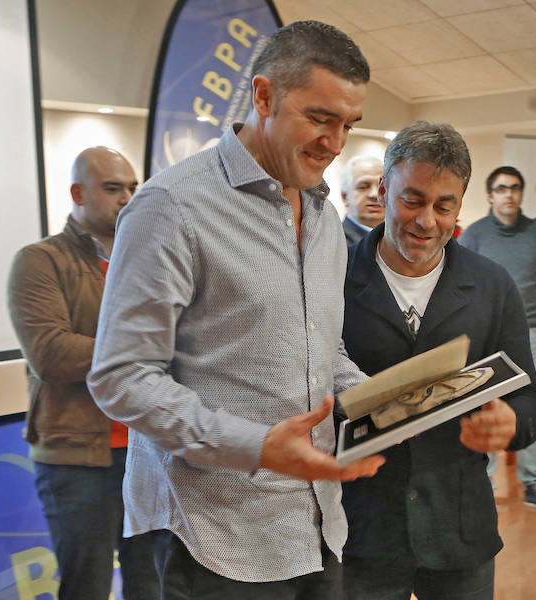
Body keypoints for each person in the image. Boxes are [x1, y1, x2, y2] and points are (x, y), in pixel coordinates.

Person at [87, 21, 384, 599]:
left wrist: (386, 405)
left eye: (348, 125)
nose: (335, 143)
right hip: (215, 539)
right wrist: (256, 446)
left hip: (319, 525)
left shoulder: (324, 216)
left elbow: (321, 348)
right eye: (320, 118)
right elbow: (120, 377)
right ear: (264, 95)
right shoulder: (170, 207)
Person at [340, 120, 536, 599]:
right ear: (384, 189)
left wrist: (510, 423)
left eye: (444, 205)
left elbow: (531, 402)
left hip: (459, 528)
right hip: (361, 530)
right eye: (411, 200)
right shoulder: (334, 277)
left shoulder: (492, 286)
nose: (427, 221)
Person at [7, 147, 159, 600]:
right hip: (78, 460)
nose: (127, 198)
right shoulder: (39, 261)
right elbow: (52, 354)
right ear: (78, 193)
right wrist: (151, 348)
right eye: (113, 188)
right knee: (86, 588)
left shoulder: (147, 260)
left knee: (151, 586)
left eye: (133, 187)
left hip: (149, 452)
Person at [459, 165, 536, 514]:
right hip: (484, 333)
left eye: (515, 188)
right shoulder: (473, 235)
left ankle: (534, 482)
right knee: (483, 406)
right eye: (502, 188)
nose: (509, 194)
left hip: (530, 330)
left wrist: (524, 317)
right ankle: (484, 484)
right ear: (490, 195)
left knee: (532, 403)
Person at [340, 154, 384, 246]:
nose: (375, 194)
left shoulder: (401, 241)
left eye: (382, 187)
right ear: (345, 197)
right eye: (363, 187)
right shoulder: (335, 243)